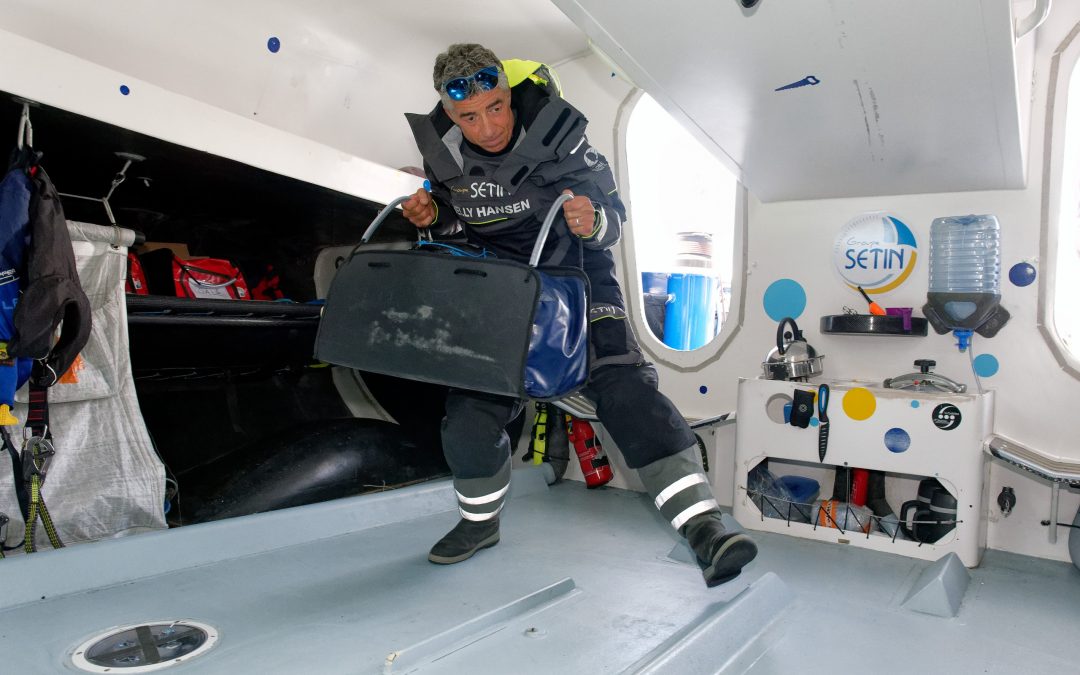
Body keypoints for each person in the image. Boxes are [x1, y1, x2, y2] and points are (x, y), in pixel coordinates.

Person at [400, 43, 757, 586]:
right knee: (468, 413)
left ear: (507, 95)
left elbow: (614, 222)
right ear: (450, 113)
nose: (487, 127)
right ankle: (479, 524)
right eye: (469, 117)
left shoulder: (561, 138)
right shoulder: (443, 155)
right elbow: (457, 230)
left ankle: (704, 529)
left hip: (580, 282)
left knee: (627, 393)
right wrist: (431, 219)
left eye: (496, 107)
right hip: (504, 292)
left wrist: (592, 221)